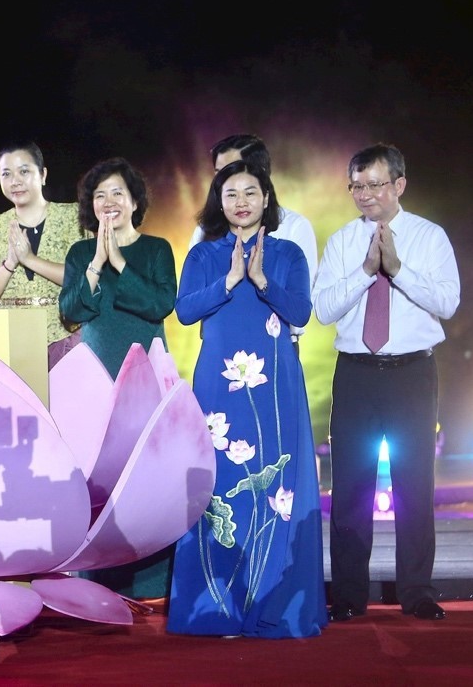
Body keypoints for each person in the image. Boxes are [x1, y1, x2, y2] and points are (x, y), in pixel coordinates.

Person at [169, 159, 326, 638]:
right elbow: (184, 311)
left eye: (250, 192)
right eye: (231, 194)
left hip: (274, 382)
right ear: (220, 203)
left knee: (276, 493)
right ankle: (215, 608)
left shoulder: (288, 254)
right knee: (218, 484)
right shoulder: (204, 254)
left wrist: (261, 280)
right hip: (218, 384)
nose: (241, 202)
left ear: (266, 199)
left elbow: (301, 312)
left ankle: (272, 606)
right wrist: (230, 280)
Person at [313, 143, 460, 623]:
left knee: (414, 484)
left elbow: (448, 302)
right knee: (350, 487)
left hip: (413, 373)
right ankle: (348, 595)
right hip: (356, 373)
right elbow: (323, 310)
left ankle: (417, 592)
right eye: (356, 185)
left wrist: (397, 269)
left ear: (399, 184)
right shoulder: (342, 242)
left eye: (374, 184)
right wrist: (365, 272)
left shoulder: (429, 237)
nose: (364, 194)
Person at [60, 157, 177, 600]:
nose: (108, 202)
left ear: (134, 202)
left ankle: (152, 584)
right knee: (97, 475)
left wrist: (120, 263)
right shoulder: (78, 254)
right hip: (96, 373)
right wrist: (96, 263)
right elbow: (72, 311)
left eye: (117, 193)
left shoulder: (157, 250)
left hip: (144, 372)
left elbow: (160, 305)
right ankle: (96, 582)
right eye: (100, 195)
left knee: (147, 474)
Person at [188, 135, 318, 351]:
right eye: (218, 173)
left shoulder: (294, 228)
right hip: (219, 348)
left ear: (260, 173)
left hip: (276, 346)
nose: (224, 179)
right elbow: (190, 303)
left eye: (232, 169)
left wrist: (262, 281)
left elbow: (300, 305)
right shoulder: (204, 232)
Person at [0, 142, 83, 364]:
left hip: (65, 334)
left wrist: (29, 259)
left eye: (24, 171)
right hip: (10, 338)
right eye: (6, 174)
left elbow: (82, 278)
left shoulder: (73, 216)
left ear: (43, 174)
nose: (15, 181)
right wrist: (9, 264)